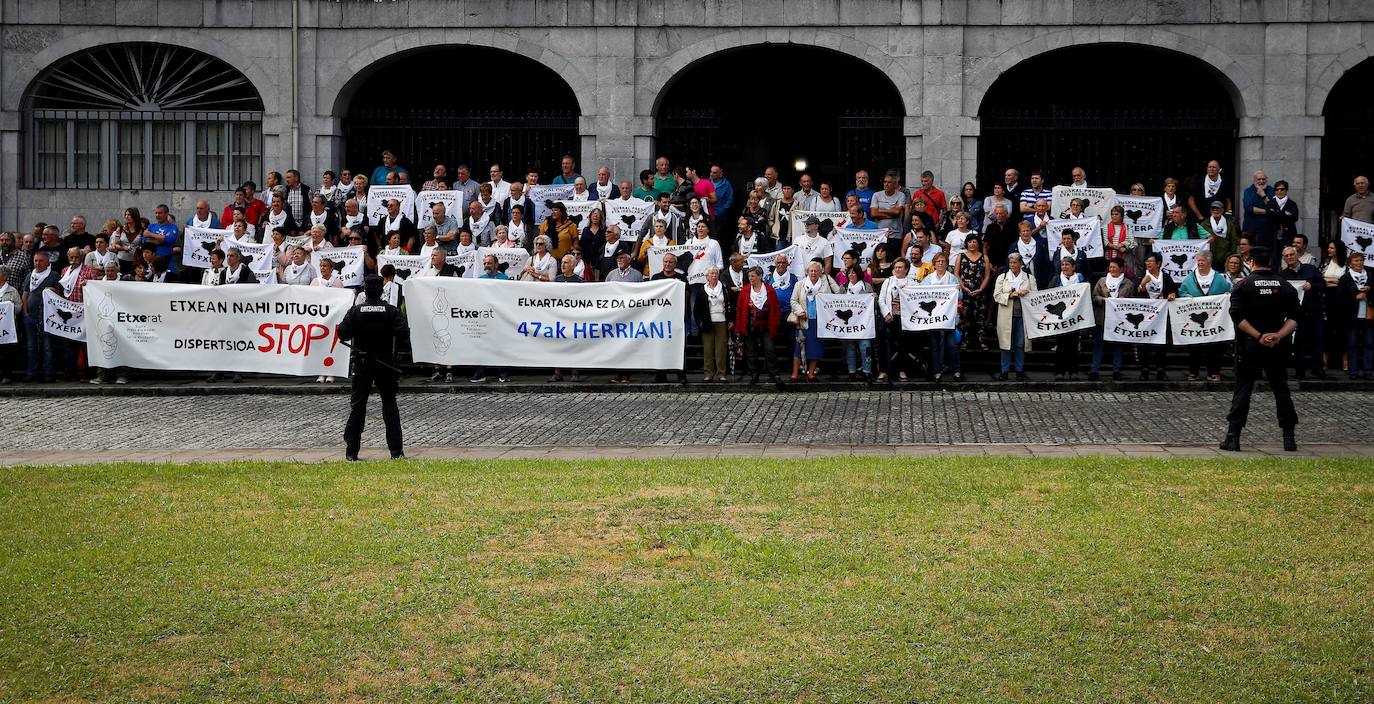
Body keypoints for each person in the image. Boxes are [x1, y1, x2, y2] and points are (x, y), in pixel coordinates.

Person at [1222, 246, 1300, 452]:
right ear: (1271, 262)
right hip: (1278, 345)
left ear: (1251, 262)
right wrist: (1278, 335)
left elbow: (1237, 317)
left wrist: (1258, 336)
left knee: (1243, 389)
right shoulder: (1285, 285)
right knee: (1281, 388)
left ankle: (1233, 437)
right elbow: (1294, 317)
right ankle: (1289, 437)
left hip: (1250, 345)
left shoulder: (1243, 285)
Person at [337, 275, 408, 461]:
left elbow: (342, 333)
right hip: (386, 364)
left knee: (358, 408)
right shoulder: (391, 311)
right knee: (390, 406)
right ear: (382, 291)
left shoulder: (355, 311)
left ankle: (351, 452)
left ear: (365, 291)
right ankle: (396, 451)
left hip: (362, 364)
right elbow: (403, 334)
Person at [1177, 251, 1233, 381]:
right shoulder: (1190, 278)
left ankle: (1213, 372)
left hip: (1214, 318)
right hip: (1195, 319)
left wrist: (1226, 296)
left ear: (1209, 262)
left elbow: (1228, 290)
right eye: (1199, 261)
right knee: (1194, 346)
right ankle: (1193, 372)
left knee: (1214, 346)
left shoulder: (1219, 278)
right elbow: (1182, 291)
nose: (1200, 263)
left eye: (1203, 260)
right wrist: (1186, 296)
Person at [1279, 245, 1326, 379]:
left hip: (1314, 311)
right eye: (1286, 256)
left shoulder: (1310, 269)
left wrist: (1312, 286)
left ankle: (1318, 369)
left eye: (1291, 254)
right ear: (1284, 259)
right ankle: (1300, 371)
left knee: (1318, 340)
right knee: (1300, 343)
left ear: (1297, 255)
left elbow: (1323, 285)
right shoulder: (1283, 275)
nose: (1289, 257)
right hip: (1297, 314)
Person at [790, 260, 839, 382]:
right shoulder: (800, 284)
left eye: (816, 271)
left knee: (815, 348)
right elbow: (793, 301)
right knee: (799, 348)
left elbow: (830, 301)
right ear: (807, 272)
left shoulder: (825, 285)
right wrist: (800, 311)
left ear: (820, 272)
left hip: (818, 322)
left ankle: (811, 374)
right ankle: (795, 374)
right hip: (803, 321)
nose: (813, 273)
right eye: (811, 270)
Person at [735, 266, 782, 385]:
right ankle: (754, 374)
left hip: (766, 326)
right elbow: (739, 309)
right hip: (750, 326)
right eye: (749, 276)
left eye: (753, 276)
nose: (750, 278)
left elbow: (776, 308)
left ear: (760, 276)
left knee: (770, 349)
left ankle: (774, 374)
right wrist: (738, 327)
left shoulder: (769, 290)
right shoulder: (745, 290)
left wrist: (776, 322)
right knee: (751, 352)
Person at [993, 253, 1036, 380]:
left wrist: (1027, 293)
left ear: (1020, 263)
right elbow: (996, 296)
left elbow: (1036, 296)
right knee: (1006, 344)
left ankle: (1019, 371)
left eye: (1015, 262)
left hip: (1022, 316)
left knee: (1020, 344)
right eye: (1011, 262)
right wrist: (1009, 296)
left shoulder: (1029, 278)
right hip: (1006, 315)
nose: (1012, 265)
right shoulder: (1002, 277)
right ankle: (1004, 371)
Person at [920, 252, 962, 381]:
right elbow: (920, 293)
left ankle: (956, 370)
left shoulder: (952, 279)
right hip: (933, 319)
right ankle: (937, 371)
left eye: (943, 261)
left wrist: (957, 289)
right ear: (934, 264)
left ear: (947, 263)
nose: (941, 263)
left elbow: (960, 296)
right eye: (938, 261)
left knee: (951, 345)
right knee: (935, 345)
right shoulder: (928, 279)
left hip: (948, 318)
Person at [1136, 253, 1177, 380]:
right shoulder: (1141, 276)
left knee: (1161, 343)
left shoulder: (1166, 277)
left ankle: (1161, 370)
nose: (1148, 263)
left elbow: (1174, 291)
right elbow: (1134, 294)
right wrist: (1142, 284)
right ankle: (1144, 370)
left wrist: (1172, 295)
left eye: (1151, 261)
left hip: (1161, 316)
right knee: (1144, 343)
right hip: (1145, 316)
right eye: (1147, 261)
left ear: (1158, 263)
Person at [22, 251, 60, 382]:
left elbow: (61, 294)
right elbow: (25, 295)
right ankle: (31, 373)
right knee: (31, 346)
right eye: (36, 261)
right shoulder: (30, 275)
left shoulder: (54, 275)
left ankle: (49, 373)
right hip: (31, 316)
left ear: (47, 262)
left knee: (47, 346)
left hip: (47, 316)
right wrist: (25, 313)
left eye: (40, 261)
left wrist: (53, 290)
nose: (37, 263)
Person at [1048, 256, 1085, 380]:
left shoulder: (1080, 279)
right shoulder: (1056, 279)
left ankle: (1073, 372)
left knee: (1073, 346)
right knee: (1061, 346)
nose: (1064, 267)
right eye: (1063, 264)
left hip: (1075, 317)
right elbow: (1048, 295)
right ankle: (1060, 372)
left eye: (1067, 264)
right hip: (1061, 318)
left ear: (1073, 267)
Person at [1337, 251, 1372, 380]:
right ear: (1350, 263)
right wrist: (1354, 298)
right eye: (1356, 260)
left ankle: (1368, 371)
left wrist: (1369, 290)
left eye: (1361, 260)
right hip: (1352, 316)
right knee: (1352, 344)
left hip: (1368, 315)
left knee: (1369, 343)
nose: (1359, 263)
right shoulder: (1345, 278)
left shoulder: (1370, 275)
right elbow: (1339, 298)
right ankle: (1353, 371)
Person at [953, 235, 992, 350]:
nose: (972, 244)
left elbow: (987, 276)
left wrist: (981, 289)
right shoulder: (960, 256)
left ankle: (982, 341)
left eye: (974, 242)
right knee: (964, 317)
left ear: (978, 244)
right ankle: (964, 341)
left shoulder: (984, 257)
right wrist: (963, 287)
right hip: (965, 292)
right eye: (970, 242)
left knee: (980, 317)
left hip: (979, 292)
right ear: (966, 243)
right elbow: (956, 273)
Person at [695, 266, 730, 382]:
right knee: (708, 349)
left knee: (721, 349)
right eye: (711, 274)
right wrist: (700, 322)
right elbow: (697, 309)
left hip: (722, 321)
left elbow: (730, 304)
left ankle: (721, 373)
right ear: (707, 276)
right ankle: (708, 373)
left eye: (716, 273)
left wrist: (731, 320)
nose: (714, 276)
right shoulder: (702, 289)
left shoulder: (724, 287)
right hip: (707, 322)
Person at [840, 265, 875, 382]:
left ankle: (867, 371)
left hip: (864, 323)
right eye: (849, 273)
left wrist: (874, 298)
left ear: (859, 274)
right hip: (849, 324)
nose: (851, 275)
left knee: (865, 347)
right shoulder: (844, 287)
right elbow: (837, 302)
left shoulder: (867, 286)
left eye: (853, 272)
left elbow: (873, 305)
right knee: (850, 348)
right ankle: (851, 372)